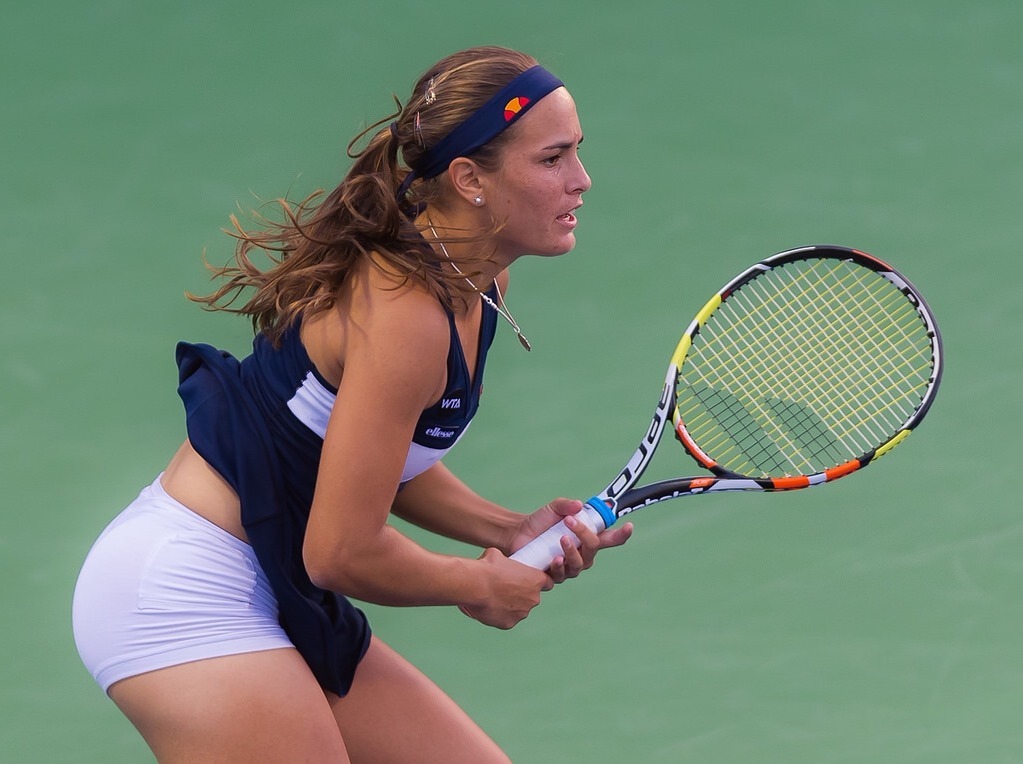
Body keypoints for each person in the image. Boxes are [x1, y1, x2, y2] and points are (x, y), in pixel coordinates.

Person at [72, 45, 632, 762]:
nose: (581, 181)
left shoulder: (477, 283)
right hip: (183, 593)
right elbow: (340, 551)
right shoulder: (407, 313)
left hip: (276, 584)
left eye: (576, 153)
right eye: (552, 159)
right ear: (469, 179)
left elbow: (373, 457)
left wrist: (506, 527)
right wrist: (475, 584)